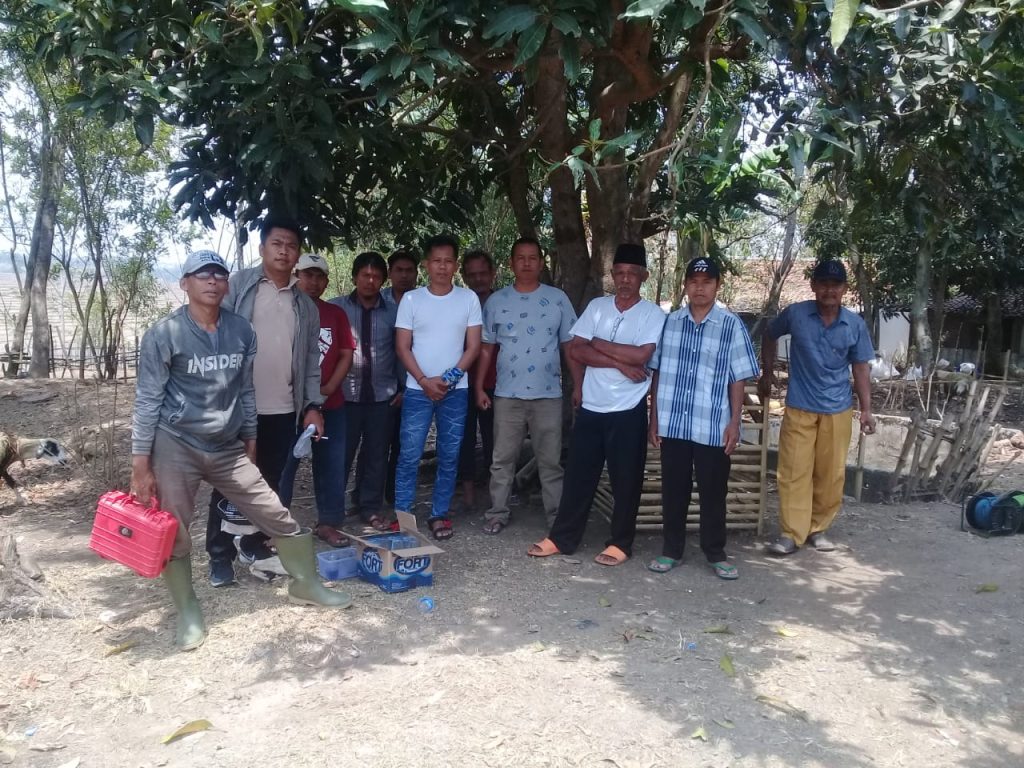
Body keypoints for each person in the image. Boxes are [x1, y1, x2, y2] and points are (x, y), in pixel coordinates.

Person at [131, 250, 351, 651]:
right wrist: (140, 464)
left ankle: (306, 584)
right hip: (175, 443)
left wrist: (249, 442)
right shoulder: (164, 334)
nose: (212, 281)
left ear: (227, 284)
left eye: (219, 274)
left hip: (226, 445)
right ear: (185, 283)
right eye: (202, 275)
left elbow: (246, 391)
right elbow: (147, 401)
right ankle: (188, 610)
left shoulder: (240, 331)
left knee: (274, 511)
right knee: (175, 530)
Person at [205, 215, 325, 587]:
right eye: (277, 243)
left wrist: (313, 405)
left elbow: (311, 361)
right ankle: (219, 556)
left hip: (284, 408)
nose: (284, 251)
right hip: (238, 406)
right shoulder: (239, 287)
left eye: (291, 246)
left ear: (298, 254)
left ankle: (254, 544)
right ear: (262, 248)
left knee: (269, 482)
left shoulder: (305, 305)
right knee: (228, 481)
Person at [529, 243, 665, 566]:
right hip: (592, 404)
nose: (625, 279)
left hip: (628, 408)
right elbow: (576, 350)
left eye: (632, 273)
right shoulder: (597, 307)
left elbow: (641, 355)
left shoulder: (653, 314)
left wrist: (599, 343)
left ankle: (620, 543)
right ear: (612, 275)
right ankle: (562, 538)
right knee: (579, 475)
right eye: (620, 273)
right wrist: (618, 363)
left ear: (644, 277)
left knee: (626, 480)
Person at [646, 258, 759, 579]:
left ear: (717, 286)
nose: (700, 287)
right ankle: (671, 550)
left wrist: (735, 422)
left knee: (713, 492)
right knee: (674, 490)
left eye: (707, 281)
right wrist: (654, 418)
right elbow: (657, 372)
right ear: (685, 285)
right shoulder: (670, 323)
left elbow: (738, 378)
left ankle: (715, 552)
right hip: (674, 423)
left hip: (713, 425)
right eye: (694, 281)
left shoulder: (731, 325)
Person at [761, 259, 876, 556]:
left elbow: (861, 368)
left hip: (837, 408)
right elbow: (769, 333)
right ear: (813, 286)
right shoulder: (796, 314)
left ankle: (818, 528)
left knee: (831, 474)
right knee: (793, 471)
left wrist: (866, 410)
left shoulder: (854, 324)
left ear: (844, 289)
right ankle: (791, 533)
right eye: (823, 283)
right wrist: (767, 372)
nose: (829, 290)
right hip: (800, 404)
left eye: (835, 285)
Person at [475, 237, 577, 534]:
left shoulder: (558, 299)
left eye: (533, 258)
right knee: (501, 459)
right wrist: (479, 387)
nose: (527, 263)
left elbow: (570, 347)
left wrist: (579, 385)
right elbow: (486, 349)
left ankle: (556, 518)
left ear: (541, 263)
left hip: (548, 395)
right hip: (507, 395)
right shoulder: (497, 301)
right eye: (520, 258)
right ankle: (497, 512)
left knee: (550, 462)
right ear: (511, 263)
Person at [394, 235, 482, 540]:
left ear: (456, 265)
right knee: (409, 454)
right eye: (436, 261)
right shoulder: (411, 300)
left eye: (448, 261)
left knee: (450, 455)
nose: (442, 267)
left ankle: (439, 514)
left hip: (455, 391)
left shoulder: (468, 299)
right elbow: (402, 346)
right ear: (426, 265)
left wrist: (449, 379)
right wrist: (423, 381)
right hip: (417, 390)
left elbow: (473, 346)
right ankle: (404, 516)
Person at [278, 253, 355, 547]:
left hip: (331, 404)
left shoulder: (335, 313)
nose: (313, 282)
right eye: (307, 275)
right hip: (289, 406)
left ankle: (329, 523)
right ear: (296, 276)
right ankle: (277, 527)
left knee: (332, 465)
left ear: (326, 281)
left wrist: (328, 388)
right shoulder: (284, 310)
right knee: (283, 467)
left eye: (319, 276)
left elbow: (346, 353)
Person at [330, 251, 399, 532]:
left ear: (383, 280)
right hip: (344, 396)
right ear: (354, 277)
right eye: (365, 275)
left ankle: (369, 507)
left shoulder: (394, 312)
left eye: (376, 276)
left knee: (376, 455)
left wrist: (402, 387)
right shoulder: (337, 309)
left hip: (382, 396)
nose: (370, 281)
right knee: (340, 455)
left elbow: (401, 351)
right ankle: (333, 511)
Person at [458, 249, 498, 511]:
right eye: (472, 275)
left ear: (493, 273)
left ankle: (496, 494)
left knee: (495, 438)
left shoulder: (504, 302)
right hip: (461, 382)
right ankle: (468, 493)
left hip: (498, 383)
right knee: (464, 438)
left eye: (483, 273)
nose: (478, 279)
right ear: (464, 276)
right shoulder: (458, 303)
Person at [380, 249, 419, 504]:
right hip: (380, 387)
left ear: (417, 273)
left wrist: (408, 388)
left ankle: (395, 498)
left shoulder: (423, 301)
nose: (404, 275)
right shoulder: (378, 301)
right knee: (376, 446)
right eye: (399, 270)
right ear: (390, 273)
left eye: (409, 270)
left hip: (412, 387)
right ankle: (366, 497)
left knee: (403, 445)